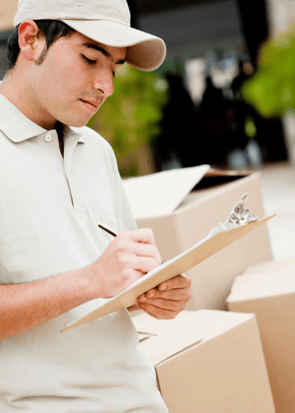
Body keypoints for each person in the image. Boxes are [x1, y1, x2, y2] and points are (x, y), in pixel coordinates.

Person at [0, 0, 192, 411]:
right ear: (31, 39)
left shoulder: (96, 150)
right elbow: (93, 280)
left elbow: (113, 283)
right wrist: (89, 280)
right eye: (90, 58)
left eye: (115, 67)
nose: (106, 84)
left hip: (141, 399)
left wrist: (153, 293)